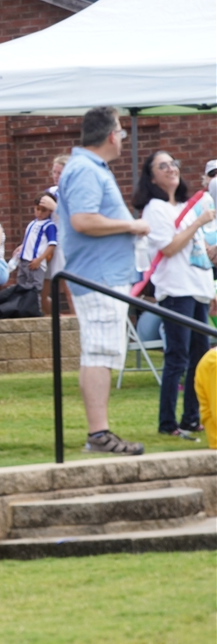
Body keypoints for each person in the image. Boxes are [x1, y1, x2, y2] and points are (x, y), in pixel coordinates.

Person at [57, 106, 149, 455]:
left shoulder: (87, 167)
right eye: (121, 131)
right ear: (111, 135)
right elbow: (83, 220)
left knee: (100, 351)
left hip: (102, 276)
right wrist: (131, 225)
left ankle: (99, 433)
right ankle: (98, 434)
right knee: (99, 352)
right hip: (98, 277)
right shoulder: (84, 169)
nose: (123, 138)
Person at [132, 151, 215, 437]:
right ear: (152, 177)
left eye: (173, 164)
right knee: (177, 358)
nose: (171, 169)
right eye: (162, 166)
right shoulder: (155, 208)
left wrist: (209, 290)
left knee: (200, 359)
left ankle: (191, 418)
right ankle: (167, 423)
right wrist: (198, 222)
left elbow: (197, 250)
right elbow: (168, 248)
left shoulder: (185, 207)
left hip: (198, 290)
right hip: (177, 291)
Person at [44, 154, 73, 315]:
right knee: (42, 291)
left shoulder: (74, 192)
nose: (55, 176)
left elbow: (75, 219)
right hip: (49, 244)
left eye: (59, 173)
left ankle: (75, 324)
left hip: (67, 244)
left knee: (69, 290)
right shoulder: (50, 192)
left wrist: (54, 207)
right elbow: (40, 219)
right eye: (54, 172)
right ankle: (55, 322)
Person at [13, 194, 58, 290]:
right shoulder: (32, 223)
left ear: (50, 211)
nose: (40, 212)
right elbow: (30, 239)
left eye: (44, 210)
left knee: (34, 290)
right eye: (38, 209)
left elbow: (52, 245)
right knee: (20, 289)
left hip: (35, 263)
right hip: (23, 261)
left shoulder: (49, 225)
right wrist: (22, 246)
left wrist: (39, 259)